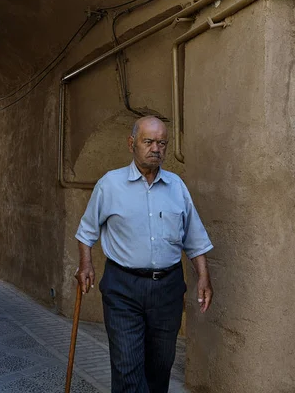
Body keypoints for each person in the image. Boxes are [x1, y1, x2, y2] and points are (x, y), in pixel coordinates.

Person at [75, 116, 213, 393]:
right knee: (127, 366)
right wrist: (85, 264)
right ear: (131, 144)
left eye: (162, 143)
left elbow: (194, 238)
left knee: (160, 367)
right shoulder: (109, 185)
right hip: (122, 288)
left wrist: (203, 277)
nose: (156, 148)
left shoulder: (177, 187)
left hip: (168, 289)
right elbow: (86, 231)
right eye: (148, 141)